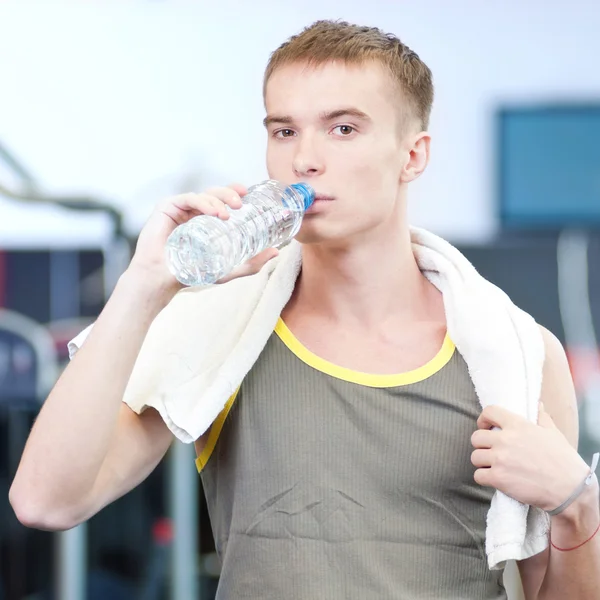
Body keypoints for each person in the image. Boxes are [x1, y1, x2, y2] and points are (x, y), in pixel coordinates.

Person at [9, 20, 600, 599]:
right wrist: (143, 286)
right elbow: (45, 501)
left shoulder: (519, 355)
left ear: (412, 156)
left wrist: (579, 506)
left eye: (343, 128)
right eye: (284, 131)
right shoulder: (219, 329)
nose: (305, 160)